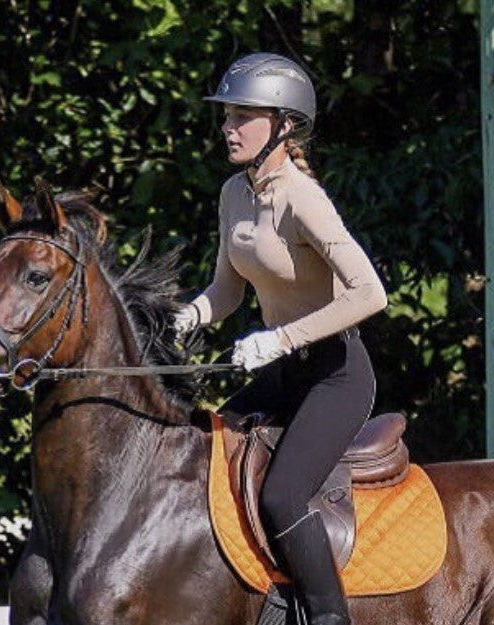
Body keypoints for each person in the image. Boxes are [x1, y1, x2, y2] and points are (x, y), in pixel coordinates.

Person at [173, 52, 388, 625]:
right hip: (284, 372)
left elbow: (370, 294)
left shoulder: (303, 198)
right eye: (226, 116)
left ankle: (328, 616)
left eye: (243, 116)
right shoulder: (233, 193)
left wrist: (281, 338)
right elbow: (227, 291)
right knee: (205, 454)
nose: (228, 127)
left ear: (285, 125)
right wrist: (190, 315)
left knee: (282, 495)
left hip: (335, 375)